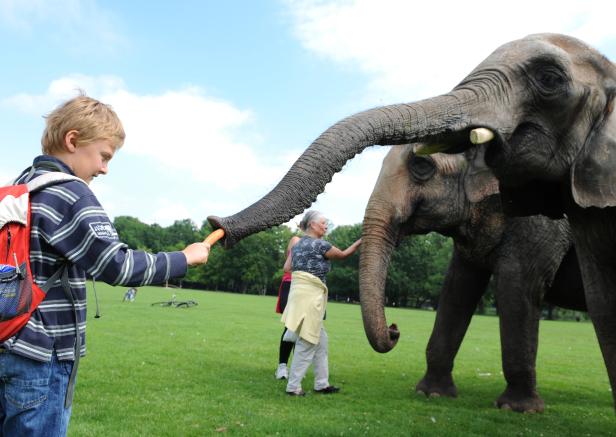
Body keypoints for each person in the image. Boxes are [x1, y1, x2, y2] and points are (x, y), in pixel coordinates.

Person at [0, 94, 211, 436]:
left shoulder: (18, 189)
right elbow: (117, 265)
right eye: (103, 156)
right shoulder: (70, 193)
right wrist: (183, 258)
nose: (104, 169)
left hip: (6, 342)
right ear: (73, 140)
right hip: (42, 355)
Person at [282, 210, 361, 396]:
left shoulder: (298, 244)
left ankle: (321, 384)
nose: (326, 226)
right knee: (307, 342)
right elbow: (342, 255)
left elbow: (287, 268)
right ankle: (293, 387)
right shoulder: (320, 245)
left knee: (321, 341)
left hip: (299, 295)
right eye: (324, 223)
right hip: (310, 298)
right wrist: (360, 242)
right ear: (313, 225)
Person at [274, 234, 300, 380]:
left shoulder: (318, 243)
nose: (325, 226)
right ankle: (282, 367)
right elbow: (289, 267)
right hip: (292, 285)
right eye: (322, 223)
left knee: (302, 330)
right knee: (291, 327)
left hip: (309, 289)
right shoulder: (297, 240)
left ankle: (296, 368)